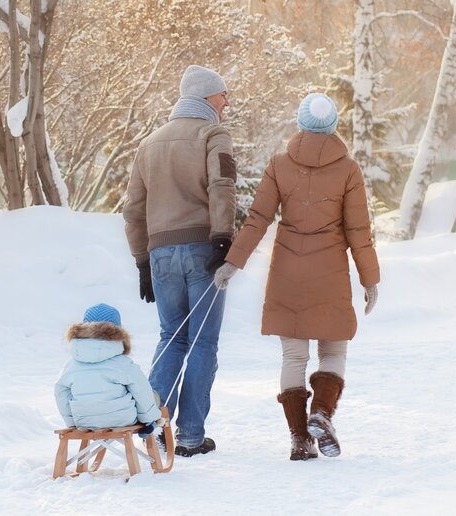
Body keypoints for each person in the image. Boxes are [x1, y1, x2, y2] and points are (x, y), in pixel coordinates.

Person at [213, 92, 381, 461]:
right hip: (330, 272)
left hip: (288, 270)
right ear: (333, 124)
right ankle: (321, 412)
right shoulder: (348, 169)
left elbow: (258, 218)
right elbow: (359, 231)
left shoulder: (279, 164)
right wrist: (370, 279)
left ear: (301, 122)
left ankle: (299, 438)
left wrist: (232, 263)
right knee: (333, 348)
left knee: (293, 355)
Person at [123, 65, 237, 457]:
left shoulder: (149, 143)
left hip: (160, 254)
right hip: (203, 249)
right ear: (206, 97)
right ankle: (189, 435)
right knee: (203, 340)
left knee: (172, 336)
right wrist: (223, 237)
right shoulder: (213, 134)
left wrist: (142, 261)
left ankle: (151, 425)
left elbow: (132, 210)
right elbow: (223, 185)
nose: (227, 102)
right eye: (223, 95)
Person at [54, 304, 162, 437]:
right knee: (152, 395)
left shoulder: (71, 365)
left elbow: (61, 393)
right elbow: (141, 391)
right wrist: (148, 419)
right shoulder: (123, 364)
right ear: (118, 332)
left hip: (84, 420)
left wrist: (71, 422)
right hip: (122, 419)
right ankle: (150, 427)